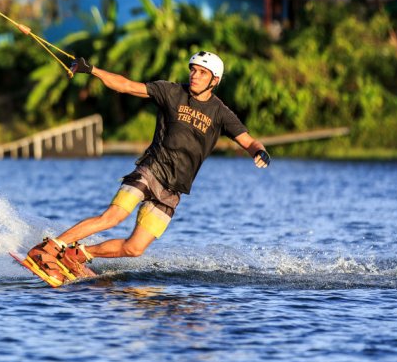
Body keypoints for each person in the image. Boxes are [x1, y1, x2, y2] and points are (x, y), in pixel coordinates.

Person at [27, 51, 271, 284]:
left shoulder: (220, 113)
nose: (194, 76)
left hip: (173, 189)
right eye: (193, 70)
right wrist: (92, 70)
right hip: (151, 169)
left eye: (202, 73)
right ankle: (51, 247)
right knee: (113, 217)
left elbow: (249, 141)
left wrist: (259, 152)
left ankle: (78, 254)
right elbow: (127, 85)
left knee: (134, 248)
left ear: (214, 80)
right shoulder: (171, 92)